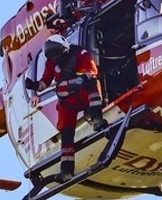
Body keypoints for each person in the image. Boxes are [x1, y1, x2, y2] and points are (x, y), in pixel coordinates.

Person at [25, 34, 106, 182]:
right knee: (66, 133)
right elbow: (46, 81)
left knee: (92, 85)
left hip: (81, 92)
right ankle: (66, 170)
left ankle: (97, 120)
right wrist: (34, 86)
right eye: (52, 55)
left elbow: (92, 71)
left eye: (57, 53)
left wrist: (81, 79)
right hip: (67, 100)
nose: (55, 58)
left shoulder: (79, 53)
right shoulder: (51, 62)